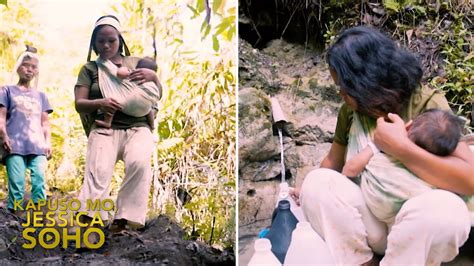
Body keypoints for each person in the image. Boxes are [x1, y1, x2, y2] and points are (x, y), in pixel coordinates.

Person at [291, 26, 474, 265]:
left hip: (417, 224)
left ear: (366, 81)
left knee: (448, 211)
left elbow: (469, 179)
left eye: (344, 89)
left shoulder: (427, 104)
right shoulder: (350, 111)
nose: (341, 95)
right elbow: (333, 164)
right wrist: (304, 190)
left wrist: (400, 148)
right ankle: (363, 262)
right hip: (372, 221)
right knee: (317, 183)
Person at [74, 15, 161, 234]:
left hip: (138, 126)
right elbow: (79, 104)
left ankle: (124, 221)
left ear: (119, 40)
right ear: (93, 43)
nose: (106, 46)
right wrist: (100, 102)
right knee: (98, 171)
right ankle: (92, 221)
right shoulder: (90, 69)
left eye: (111, 40)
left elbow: (154, 95)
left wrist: (155, 78)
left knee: (139, 164)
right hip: (104, 128)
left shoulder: (137, 64)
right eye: (100, 41)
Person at [342, 108, 464, 223]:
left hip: (373, 213)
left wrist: (375, 144)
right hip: (405, 222)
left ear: (409, 125)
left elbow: (349, 170)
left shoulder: (383, 155)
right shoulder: (435, 176)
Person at [0, 46, 53, 214]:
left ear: (37, 71)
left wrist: (48, 142)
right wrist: (4, 136)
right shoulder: (6, 90)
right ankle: (15, 220)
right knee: (17, 182)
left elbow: (45, 122)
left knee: (39, 179)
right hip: (14, 144)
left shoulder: (41, 95)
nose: (29, 69)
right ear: (18, 67)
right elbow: (1, 117)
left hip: (37, 145)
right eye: (26, 65)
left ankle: (39, 220)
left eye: (34, 67)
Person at [94, 56, 161, 129]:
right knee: (150, 108)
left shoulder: (133, 73)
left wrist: (122, 69)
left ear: (137, 67)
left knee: (112, 103)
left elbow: (120, 73)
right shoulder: (152, 82)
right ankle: (152, 125)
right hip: (144, 109)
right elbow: (157, 95)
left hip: (128, 103)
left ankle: (107, 122)